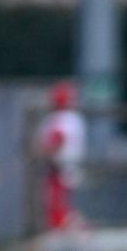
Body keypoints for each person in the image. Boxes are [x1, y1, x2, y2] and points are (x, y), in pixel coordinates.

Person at [37, 81, 86, 230]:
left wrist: (40, 152)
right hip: (65, 167)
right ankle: (73, 232)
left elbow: (57, 140)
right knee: (63, 205)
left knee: (58, 206)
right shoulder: (74, 118)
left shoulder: (62, 118)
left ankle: (73, 234)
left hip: (60, 168)